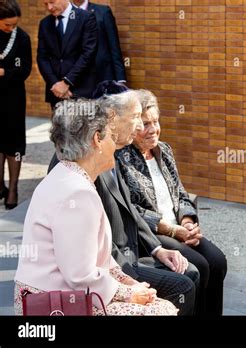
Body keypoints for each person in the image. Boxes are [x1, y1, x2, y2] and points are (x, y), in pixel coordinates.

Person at [14, 99, 178, 315]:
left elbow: (95, 259)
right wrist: (129, 293)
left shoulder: (67, 175)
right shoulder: (77, 192)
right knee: (161, 310)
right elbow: (80, 275)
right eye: (111, 135)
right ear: (97, 140)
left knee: (158, 305)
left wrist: (128, 283)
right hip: (54, 303)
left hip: (57, 294)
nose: (117, 143)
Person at [116, 89, 227, 316]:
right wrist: (173, 229)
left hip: (178, 227)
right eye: (145, 124)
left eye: (155, 122)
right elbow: (130, 209)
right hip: (151, 232)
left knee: (218, 261)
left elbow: (181, 194)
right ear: (133, 126)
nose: (153, 129)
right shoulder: (121, 158)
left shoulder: (164, 150)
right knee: (200, 267)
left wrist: (187, 221)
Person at [0, 0, 31, 210]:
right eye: (6, 25)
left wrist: (4, 72)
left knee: (13, 144)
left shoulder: (21, 38)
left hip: (13, 98)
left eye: (14, 24)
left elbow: (24, 69)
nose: (11, 28)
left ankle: (12, 189)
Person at [37, 0, 98, 108]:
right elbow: (42, 57)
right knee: (59, 125)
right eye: (46, 4)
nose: (49, 7)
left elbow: (88, 54)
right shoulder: (45, 23)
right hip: (56, 92)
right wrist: (55, 84)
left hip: (82, 90)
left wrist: (66, 82)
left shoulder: (86, 17)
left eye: (52, 2)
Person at [72, 0, 127, 83]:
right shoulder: (63, 14)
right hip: (74, 77)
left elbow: (114, 46)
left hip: (102, 74)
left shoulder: (103, 12)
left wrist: (120, 78)